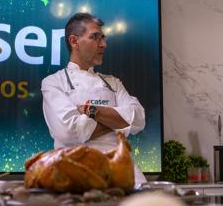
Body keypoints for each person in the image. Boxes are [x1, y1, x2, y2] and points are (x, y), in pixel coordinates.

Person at [41, 12, 147, 185]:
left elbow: (138, 118)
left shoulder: (113, 82)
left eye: (103, 38)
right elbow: (68, 132)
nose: (104, 44)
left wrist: (92, 112)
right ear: (74, 41)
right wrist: (116, 124)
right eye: (95, 37)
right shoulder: (53, 83)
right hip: (78, 171)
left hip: (121, 168)